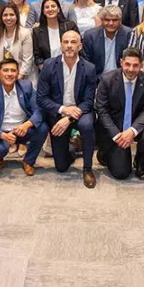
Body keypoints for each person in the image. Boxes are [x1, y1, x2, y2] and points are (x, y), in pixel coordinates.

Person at [37, 30, 98, 187]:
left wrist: (69, 118)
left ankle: (87, 168)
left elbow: (88, 101)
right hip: (58, 112)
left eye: (73, 42)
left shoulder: (89, 68)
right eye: (66, 42)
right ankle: (72, 147)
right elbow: (41, 98)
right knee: (61, 167)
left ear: (80, 46)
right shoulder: (49, 65)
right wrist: (63, 110)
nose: (69, 45)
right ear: (61, 45)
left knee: (87, 125)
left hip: (80, 112)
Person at [94, 48, 144, 180]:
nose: (131, 69)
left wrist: (132, 131)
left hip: (136, 125)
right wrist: (116, 134)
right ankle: (105, 152)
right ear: (121, 63)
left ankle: (140, 162)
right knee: (121, 173)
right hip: (115, 129)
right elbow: (101, 109)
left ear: (141, 65)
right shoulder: (107, 80)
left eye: (135, 65)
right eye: (127, 64)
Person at [0, 57, 49, 175]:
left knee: (42, 128)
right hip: (1, 132)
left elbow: (38, 110)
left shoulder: (26, 86)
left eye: (13, 70)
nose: (9, 74)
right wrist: (3, 135)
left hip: (21, 130)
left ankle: (28, 161)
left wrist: (27, 125)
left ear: (17, 73)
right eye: (5, 70)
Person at [0, 3, 36, 84]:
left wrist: (17, 79)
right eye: (5, 15)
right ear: (1, 17)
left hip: (20, 77)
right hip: (0, 77)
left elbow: (27, 60)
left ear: (17, 16)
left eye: (11, 15)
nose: (8, 18)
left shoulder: (25, 33)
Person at [81, 5, 132, 79]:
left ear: (120, 21)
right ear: (102, 21)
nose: (111, 23)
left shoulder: (129, 34)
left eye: (114, 20)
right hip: (97, 79)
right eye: (107, 20)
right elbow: (86, 63)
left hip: (122, 79)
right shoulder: (90, 36)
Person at [32, 0, 79, 70]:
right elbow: (38, 57)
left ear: (58, 9)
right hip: (48, 70)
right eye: (47, 7)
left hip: (71, 68)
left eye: (53, 6)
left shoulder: (70, 26)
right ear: (43, 11)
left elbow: (78, 48)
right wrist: (47, 71)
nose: (50, 9)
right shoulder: (37, 32)